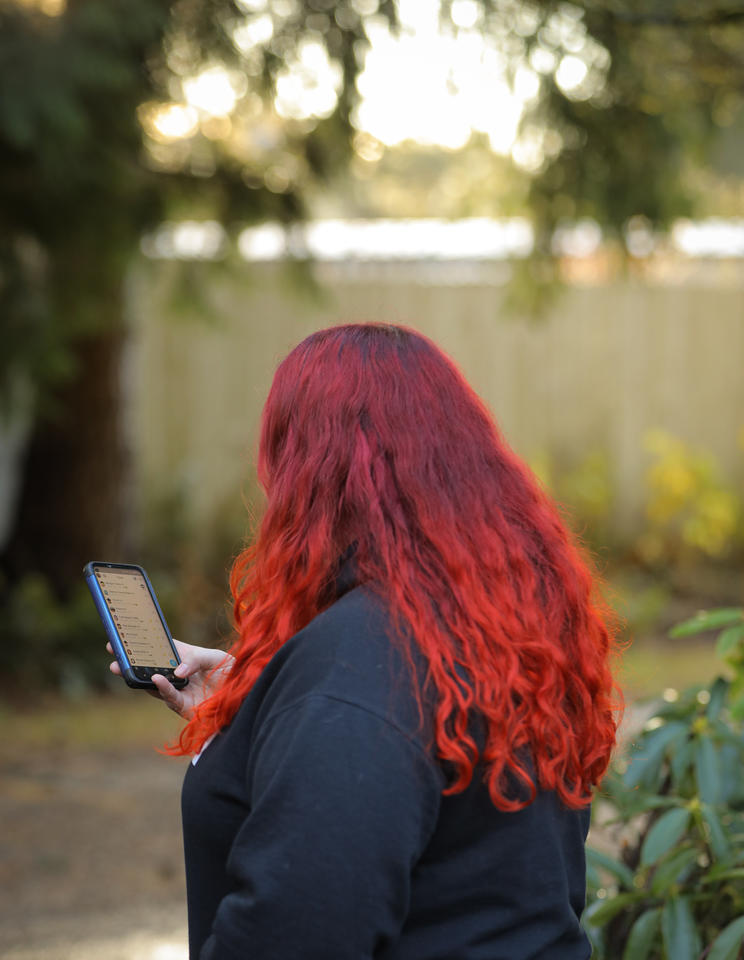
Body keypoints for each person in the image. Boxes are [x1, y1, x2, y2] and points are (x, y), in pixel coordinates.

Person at [110, 323, 620, 959]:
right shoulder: (498, 631)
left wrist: (314, 704)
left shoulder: (360, 666)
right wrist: (256, 722)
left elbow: (298, 933)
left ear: (309, 472)